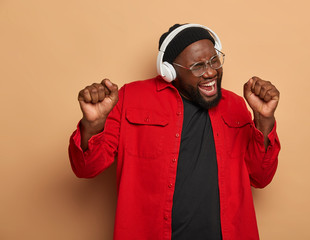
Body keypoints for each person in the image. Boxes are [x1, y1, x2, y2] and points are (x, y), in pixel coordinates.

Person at [68, 23, 281, 240]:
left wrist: (264, 120)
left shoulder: (235, 105)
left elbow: (261, 177)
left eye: (214, 60)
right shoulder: (130, 98)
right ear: (169, 72)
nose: (210, 72)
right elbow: (86, 168)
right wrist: (93, 124)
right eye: (197, 65)